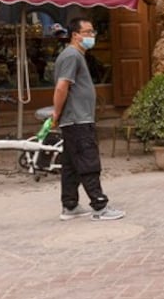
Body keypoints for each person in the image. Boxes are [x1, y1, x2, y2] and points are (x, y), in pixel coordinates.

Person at [52, 18, 124, 222]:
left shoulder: (74, 55)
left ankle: (70, 205)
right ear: (75, 35)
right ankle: (100, 206)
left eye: (92, 32)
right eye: (88, 32)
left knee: (71, 165)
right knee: (88, 161)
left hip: (75, 119)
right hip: (77, 120)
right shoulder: (72, 55)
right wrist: (56, 113)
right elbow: (61, 87)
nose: (92, 36)